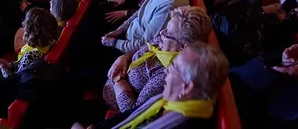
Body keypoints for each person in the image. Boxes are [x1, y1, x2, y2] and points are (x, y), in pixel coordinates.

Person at [103, 6, 212, 113]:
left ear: (183, 46)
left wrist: (118, 80)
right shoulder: (164, 41)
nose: (161, 33)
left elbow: (132, 111)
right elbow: (140, 50)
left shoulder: (168, 75)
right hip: (113, 76)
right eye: (166, 28)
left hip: (111, 102)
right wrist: (124, 57)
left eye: (168, 33)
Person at [97, 42, 229, 129]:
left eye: (174, 67)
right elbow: (127, 115)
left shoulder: (187, 123)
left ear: (187, 87)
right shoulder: (168, 100)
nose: (166, 71)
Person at [0, 7, 59, 78]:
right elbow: (22, 64)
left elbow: (15, 79)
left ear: (31, 32)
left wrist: (1, 66)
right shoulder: (52, 41)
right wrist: (7, 65)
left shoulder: (31, 55)